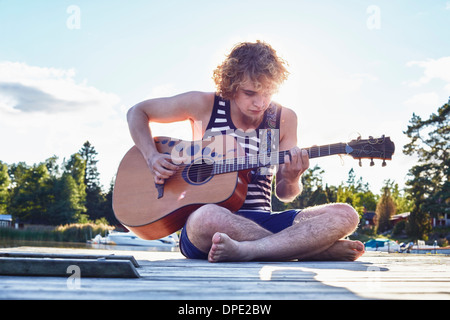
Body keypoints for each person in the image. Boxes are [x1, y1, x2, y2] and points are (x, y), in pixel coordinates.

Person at [126, 41, 365, 262]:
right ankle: (305, 248)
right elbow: (137, 112)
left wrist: (292, 178)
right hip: (214, 225)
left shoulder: (283, 119)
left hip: (264, 219)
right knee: (206, 217)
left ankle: (250, 250)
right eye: (250, 93)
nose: (260, 103)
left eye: (268, 93)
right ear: (231, 85)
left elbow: (285, 193)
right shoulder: (203, 106)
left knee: (345, 214)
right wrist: (152, 156)